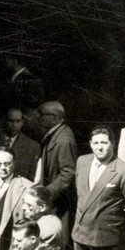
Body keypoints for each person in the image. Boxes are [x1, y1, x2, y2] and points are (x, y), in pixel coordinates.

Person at [71, 124, 125, 250]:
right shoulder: (82, 162)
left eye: (104, 143)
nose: (100, 147)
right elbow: (81, 195)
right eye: (96, 143)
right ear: (91, 145)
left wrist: (113, 223)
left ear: (113, 143)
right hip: (81, 233)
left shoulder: (124, 171)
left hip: (106, 238)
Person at [35, 100, 78, 235]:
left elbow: (69, 173)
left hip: (59, 204)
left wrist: (47, 192)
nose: (38, 117)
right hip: (53, 202)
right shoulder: (55, 133)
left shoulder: (64, 139)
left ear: (54, 118)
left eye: (42, 114)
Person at [2, 106, 41, 181]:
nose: (14, 125)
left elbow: (32, 177)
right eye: (11, 121)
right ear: (4, 121)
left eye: (18, 121)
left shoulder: (33, 146)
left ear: (22, 122)